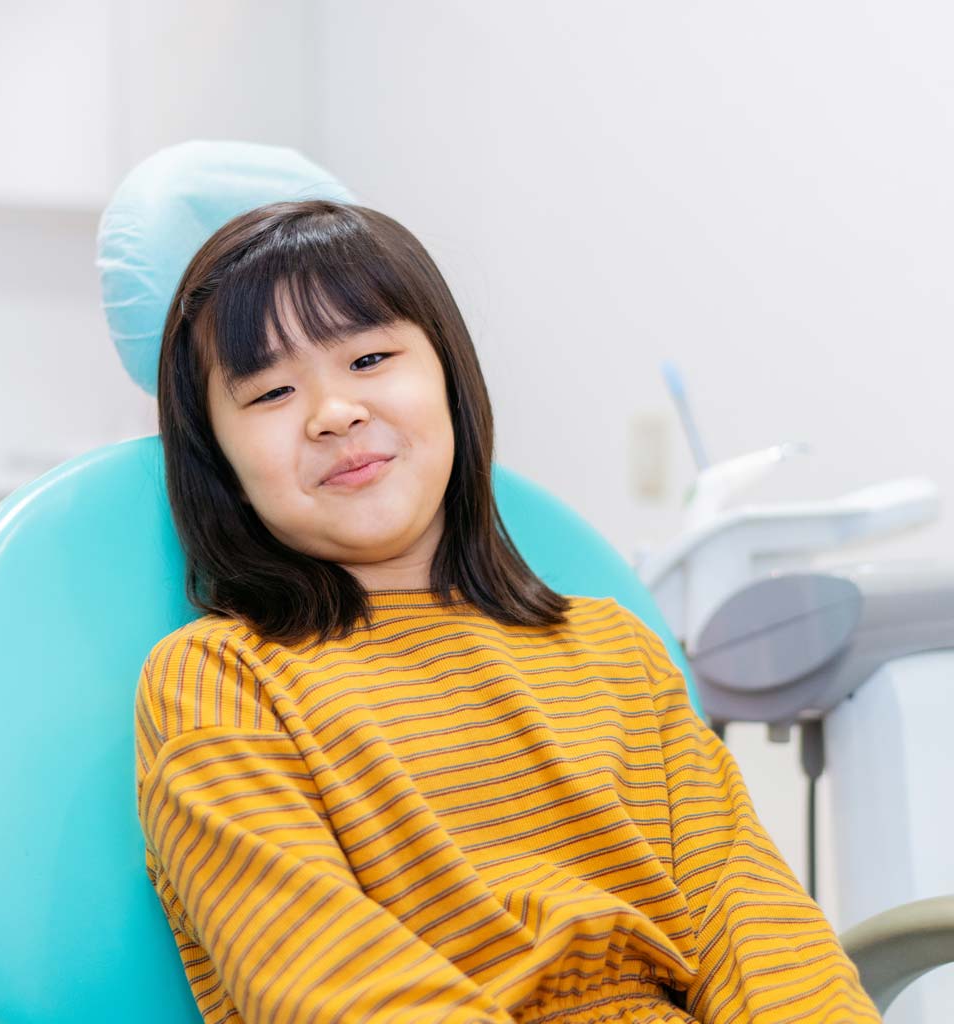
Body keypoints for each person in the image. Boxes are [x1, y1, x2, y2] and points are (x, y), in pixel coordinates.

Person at [134, 199, 881, 1024]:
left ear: (450, 375)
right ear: (218, 460)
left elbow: (756, 928)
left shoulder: (617, 650)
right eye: (271, 391)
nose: (333, 412)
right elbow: (332, 989)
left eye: (371, 356)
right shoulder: (220, 684)